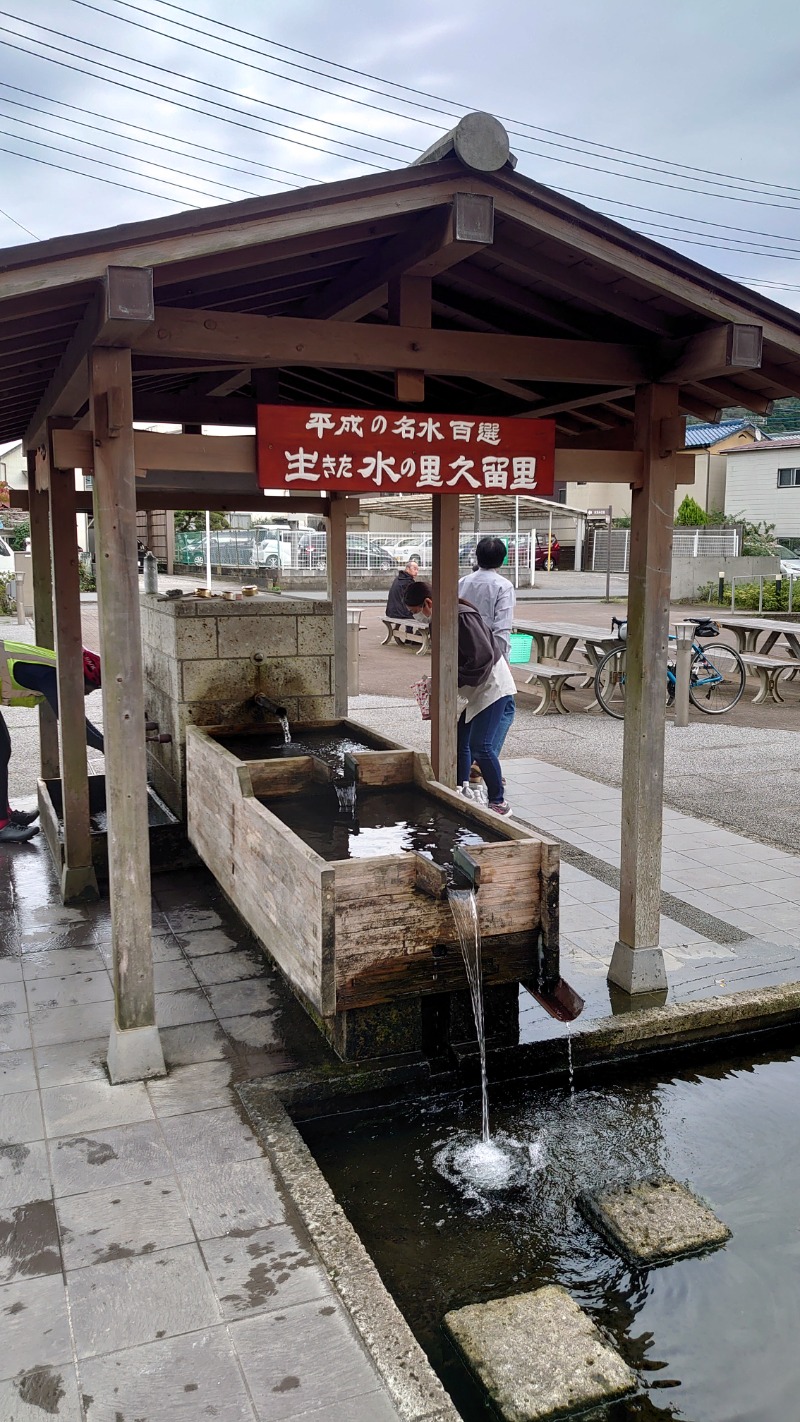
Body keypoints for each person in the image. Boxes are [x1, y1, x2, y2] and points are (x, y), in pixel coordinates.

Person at [403, 579, 515, 816]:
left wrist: (452, 680)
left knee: (481, 746)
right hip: (473, 689)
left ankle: (499, 802)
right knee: (459, 739)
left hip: (492, 686)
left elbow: (481, 659)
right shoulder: (439, 619)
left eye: (415, 612)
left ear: (428, 603)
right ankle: (461, 787)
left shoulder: (461, 617)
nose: (416, 618)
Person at [0, 640, 103, 844]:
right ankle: (1, 826)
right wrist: (111, 748)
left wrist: (107, 744)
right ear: (81, 677)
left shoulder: (58, 667)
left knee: (3, 748)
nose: (87, 694)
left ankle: (5, 813)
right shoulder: (54, 677)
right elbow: (77, 728)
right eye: (89, 689)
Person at [458, 536, 516, 759]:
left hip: (466, 655)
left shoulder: (463, 582)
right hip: (491, 656)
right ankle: (484, 758)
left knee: (470, 708)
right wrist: (504, 663)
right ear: (502, 560)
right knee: (505, 707)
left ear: (477, 557)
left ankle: (468, 760)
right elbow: (502, 629)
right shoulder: (504, 586)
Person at [385, 559, 419, 637]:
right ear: (407, 569)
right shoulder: (408, 582)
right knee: (418, 612)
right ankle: (416, 635)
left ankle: (410, 634)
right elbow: (413, 600)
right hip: (399, 612)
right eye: (414, 569)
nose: (416, 572)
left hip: (390, 611)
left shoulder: (398, 579)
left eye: (417, 569)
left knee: (410, 608)